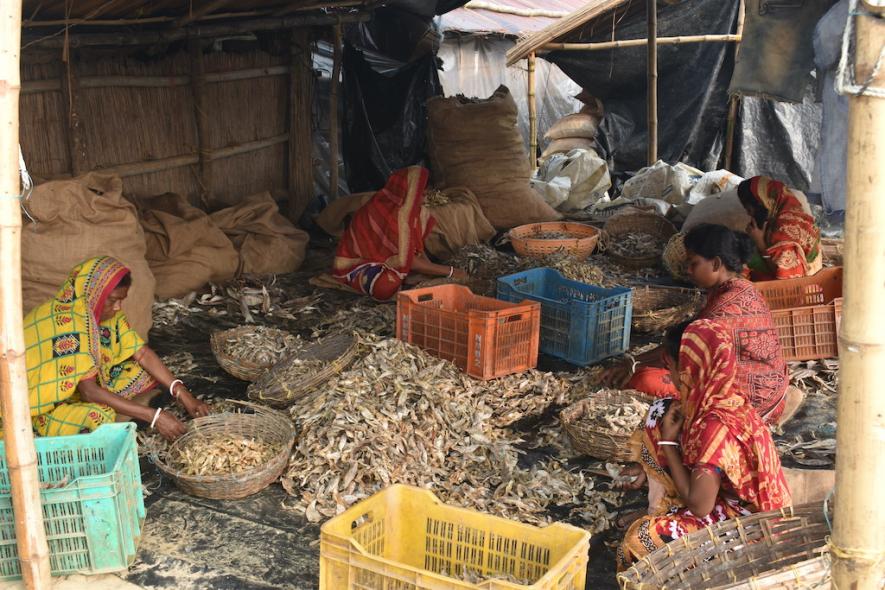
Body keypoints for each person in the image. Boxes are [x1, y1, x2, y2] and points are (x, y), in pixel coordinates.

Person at [616, 319, 791, 570]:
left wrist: (668, 443)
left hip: (751, 527)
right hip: (726, 497)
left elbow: (700, 507)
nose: (670, 374)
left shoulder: (714, 426)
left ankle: (677, 529)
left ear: (687, 369)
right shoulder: (722, 392)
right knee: (659, 412)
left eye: (672, 367)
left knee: (640, 542)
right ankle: (664, 506)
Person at [606, 224, 799, 426]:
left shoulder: (724, 311)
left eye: (694, 263)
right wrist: (635, 360)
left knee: (643, 380)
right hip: (773, 385)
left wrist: (632, 362)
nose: (688, 270)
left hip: (753, 400)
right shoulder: (742, 287)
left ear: (716, 264)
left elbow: (682, 350)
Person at [23, 256, 208, 441]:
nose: (118, 307)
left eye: (121, 300)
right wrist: (154, 416)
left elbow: (141, 353)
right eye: (113, 300)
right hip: (38, 403)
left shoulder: (99, 312)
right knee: (99, 415)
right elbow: (89, 392)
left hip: (76, 386)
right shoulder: (69, 327)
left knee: (141, 373)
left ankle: (127, 409)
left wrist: (182, 393)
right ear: (94, 294)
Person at [332, 166, 468, 301]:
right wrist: (450, 272)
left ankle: (407, 278)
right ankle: (404, 280)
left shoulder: (412, 214)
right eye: (423, 195)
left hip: (392, 262)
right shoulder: (382, 211)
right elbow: (410, 260)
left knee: (413, 274)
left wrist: (432, 272)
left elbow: (415, 251)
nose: (425, 201)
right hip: (360, 265)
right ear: (408, 192)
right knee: (384, 286)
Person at [737, 175, 822, 280]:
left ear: (762, 203)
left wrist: (761, 244)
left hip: (799, 284)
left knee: (744, 257)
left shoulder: (785, 229)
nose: (748, 214)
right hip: (808, 274)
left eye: (749, 209)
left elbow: (788, 278)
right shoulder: (790, 211)